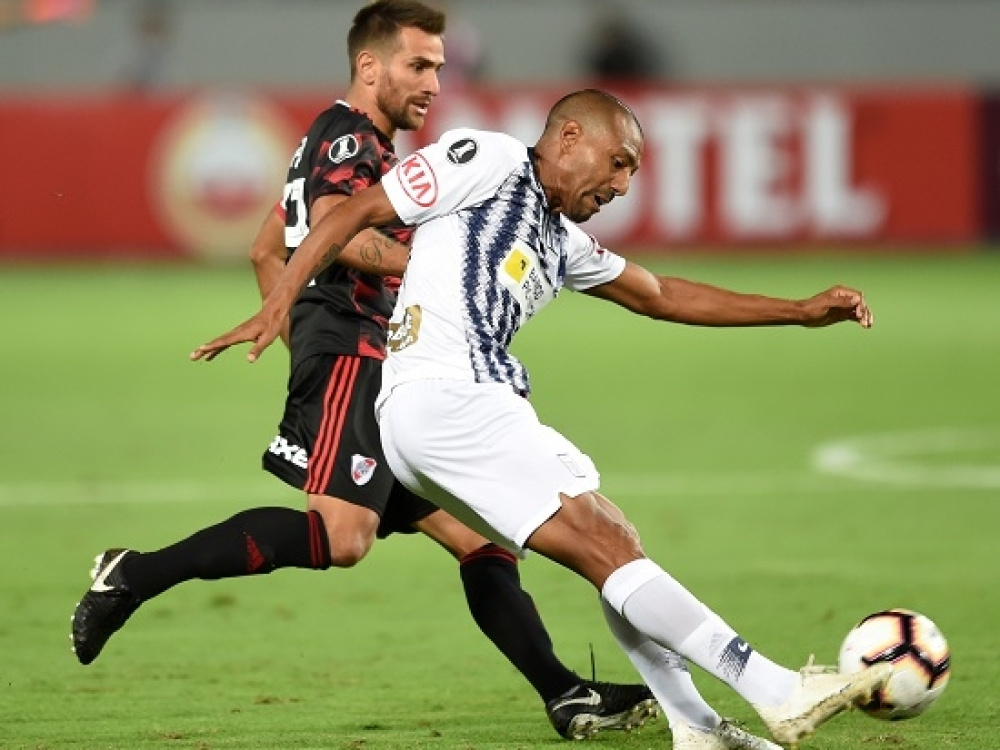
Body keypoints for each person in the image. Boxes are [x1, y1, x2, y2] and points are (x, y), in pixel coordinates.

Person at [190, 88, 890, 750]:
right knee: (601, 541)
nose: (622, 185)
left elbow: (660, 294)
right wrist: (280, 300)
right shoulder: (490, 160)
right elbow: (351, 212)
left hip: (450, 405)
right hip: (448, 394)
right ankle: (775, 688)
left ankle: (695, 725)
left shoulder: (562, 240)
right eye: (618, 162)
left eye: (631, 173)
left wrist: (798, 312)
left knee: (613, 536)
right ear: (569, 137)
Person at [70, 2, 657, 742]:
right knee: (344, 537)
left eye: (439, 67)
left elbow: (265, 248)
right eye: (420, 65)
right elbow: (336, 231)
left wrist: (298, 346)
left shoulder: (333, 141)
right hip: (361, 348)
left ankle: (565, 694)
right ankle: (132, 575)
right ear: (370, 66)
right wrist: (434, 272)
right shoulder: (350, 138)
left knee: (479, 538)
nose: (434, 82)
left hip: (365, 359)